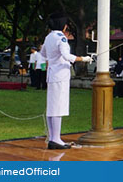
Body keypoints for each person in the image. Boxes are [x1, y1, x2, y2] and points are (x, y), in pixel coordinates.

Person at [41, 12, 92, 150]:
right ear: (63, 26)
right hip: (60, 75)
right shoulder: (61, 38)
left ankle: (53, 137)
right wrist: (83, 59)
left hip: (52, 75)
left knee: (52, 107)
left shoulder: (48, 37)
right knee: (58, 107)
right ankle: (56, 138)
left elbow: (43, 53)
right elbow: (66, 55)